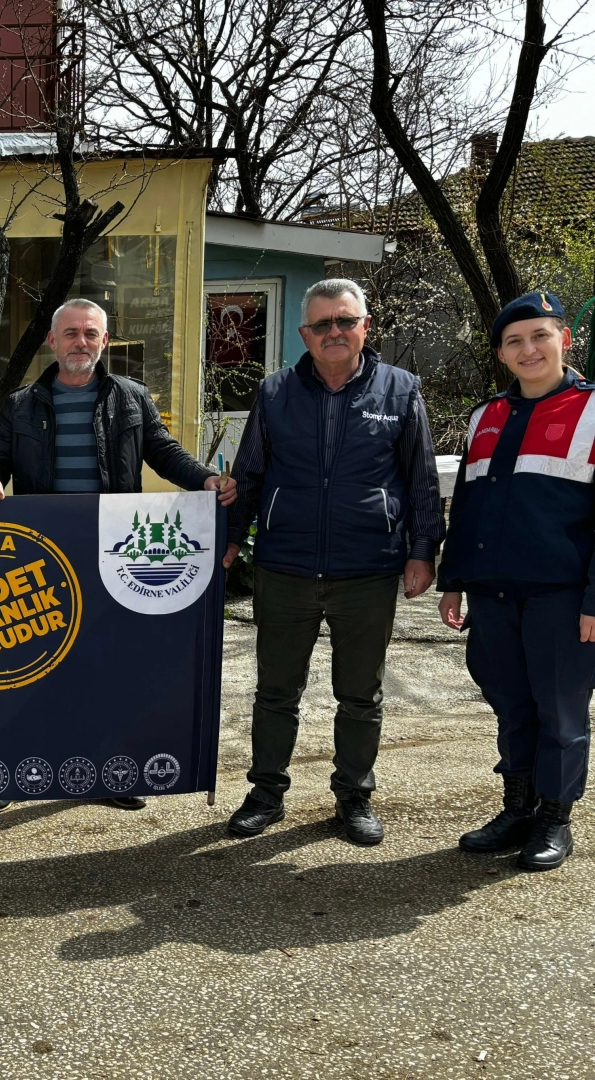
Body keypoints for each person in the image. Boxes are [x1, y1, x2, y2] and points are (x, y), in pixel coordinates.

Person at [0, 298, 235, 813]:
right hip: (44, 555)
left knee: (107, 666)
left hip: (113, 552)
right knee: (30, 665)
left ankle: (107, 771)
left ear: (105, 341)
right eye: (71, 333)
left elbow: (163, 451)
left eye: (91, 333)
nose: (81, 342)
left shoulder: (131, 397)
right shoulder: (21, 404)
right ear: (52, 341)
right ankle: (12, 773)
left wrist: (205, 478)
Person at [222, 279, 444, 846]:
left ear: (365, 327)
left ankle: (354, 797)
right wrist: (230, 539)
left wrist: (423, 551)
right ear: (305, 334)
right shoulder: (275, 392)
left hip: (367, 569)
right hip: (285, 567)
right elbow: (249, 473)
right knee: (275, 692)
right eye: (322, 324)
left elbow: (420, 478)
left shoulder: (400, 390)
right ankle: (265, 793)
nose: (334, 332)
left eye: (345, 321)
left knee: (361, 695)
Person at [439, 292, 592, 871]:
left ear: (564, 340)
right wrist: (454, 581)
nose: (529, 350)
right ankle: (517, 807)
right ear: (501, 354)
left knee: (560, 712)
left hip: (561, 595)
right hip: (493, 593)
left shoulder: (592, 410)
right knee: (509, 703)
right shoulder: (486, 416)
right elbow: (468, 507)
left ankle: (554, 817)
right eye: (514, 341)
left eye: (539, 336)